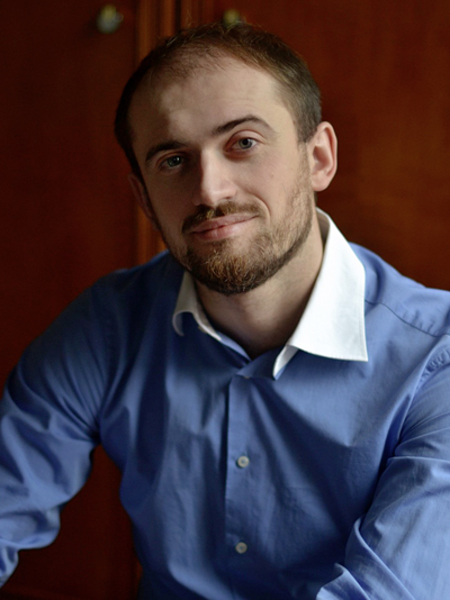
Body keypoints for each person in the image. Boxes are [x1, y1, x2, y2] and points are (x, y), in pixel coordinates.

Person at [1, 21, 450, 600]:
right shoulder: (109, 327)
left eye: (243, 143)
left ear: (318, 158)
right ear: (144, 198)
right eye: (173, 160)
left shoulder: (436, 360)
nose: (210, 191)